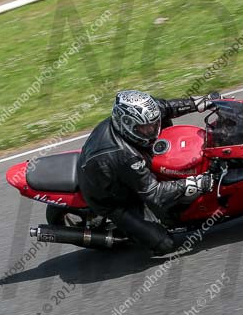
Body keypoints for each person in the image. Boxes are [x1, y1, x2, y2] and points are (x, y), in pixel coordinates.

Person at [77, 90, 218, 255]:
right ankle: (128, 232)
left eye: (154, 123)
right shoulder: (124, 155)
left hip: (116, 168)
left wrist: (199, 103)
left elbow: (165, 107)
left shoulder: (142, 113)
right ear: (127, 124)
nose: (153, 130)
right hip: (111, 198)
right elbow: (155, 194)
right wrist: (197, 183)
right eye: (145, 128)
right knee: (165, 244)